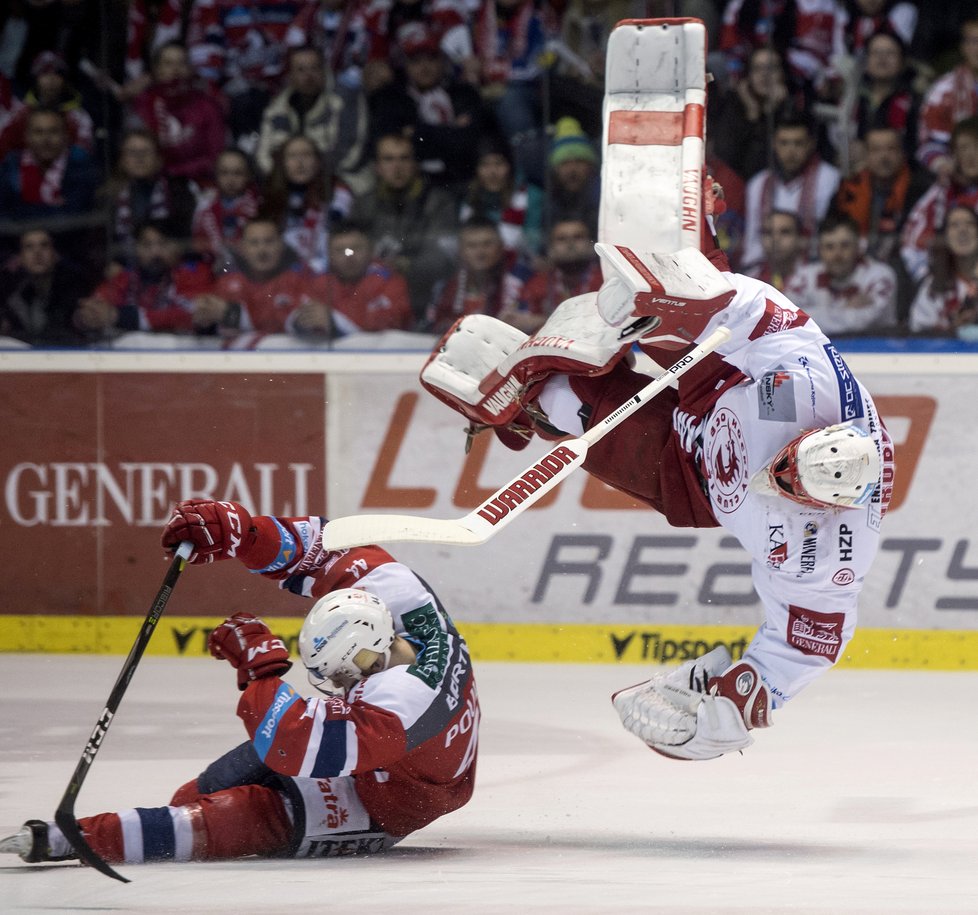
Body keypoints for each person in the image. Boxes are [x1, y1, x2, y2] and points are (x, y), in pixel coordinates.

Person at [418, 197, 894, 761]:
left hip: (693, 476)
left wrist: (740, 701)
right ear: (808, 440)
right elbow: (756, 310)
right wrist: (681, 298)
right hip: (723, 389)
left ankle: (531, 402)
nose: (779, 476)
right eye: (787, 466)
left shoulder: (830, 552)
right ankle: (692, 226)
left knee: (568, 403)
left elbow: (811, 645)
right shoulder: (816, 390)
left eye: (790, 486)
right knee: (661, 304)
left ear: (826, 504)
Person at [0, 498, 479, 864]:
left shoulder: (404, 703)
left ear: (368, 653)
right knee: (194, 796)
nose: (337, 684)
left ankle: (65, 840)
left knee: (221, 820)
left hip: (388, 800)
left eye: (341, 674)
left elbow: (298, 745)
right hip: (383, 755)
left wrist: (261, 672)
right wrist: (243, 532)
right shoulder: (406, 606)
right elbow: (324, 550)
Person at [349, 132, 459, 321]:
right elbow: (349, 250)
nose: (397, 167)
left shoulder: (438, 202)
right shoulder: (363, 205)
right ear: (377, 166)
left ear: (414, 164)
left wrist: (405, 265)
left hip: (424, 300)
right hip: (373, 299)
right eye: (389, 159)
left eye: (404, 159)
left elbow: (444, 256)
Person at [255, 44, 369, 195]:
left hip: (340, 184)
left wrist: (307, 173)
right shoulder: (277, 108)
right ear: (290, 75)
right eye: (301, 70)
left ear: (324, 71)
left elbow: (350, 154)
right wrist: (286, 174)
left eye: (314, 68)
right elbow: (263, 155)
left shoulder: (344, 100)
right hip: (290, 184)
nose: (308, 76)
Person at [73, 219, 214, 341]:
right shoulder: (126, 277)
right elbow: (98, 304)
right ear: (136, 249)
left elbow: (190, 314)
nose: (155, 253)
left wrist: (122, 317)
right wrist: (86, 318)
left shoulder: (195, 272)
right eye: (146, 245)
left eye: (163, 244)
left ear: (178, 247)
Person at [741, 111, 840, 268]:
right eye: (784, 143)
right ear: (774, 144)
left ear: (810, 144)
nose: (791, 151)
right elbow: (753, 239)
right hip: (766, 271)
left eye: (798, 143)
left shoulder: (830, 178)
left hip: (815, 268)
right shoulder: (758, 184)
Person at [126, 40, 229, 184]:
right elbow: (133, 152)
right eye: (168, 63)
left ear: (191, 69)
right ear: (156, 70)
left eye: (181, 63)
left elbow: (216, 157)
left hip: (198, 185)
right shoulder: (143, 104)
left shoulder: (207, 107)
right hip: (151, 183)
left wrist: (174, 172)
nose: (175, 70)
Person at [295, 219, 413, 338]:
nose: (349, 257)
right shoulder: (314, 278)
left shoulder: (390, 280)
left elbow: (390, 322)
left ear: (371, 250)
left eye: (356, 248)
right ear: (329, 255)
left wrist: (335, 321)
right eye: (340, 250)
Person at [785, 212, 899, 334]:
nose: (837, 255)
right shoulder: (804, 277)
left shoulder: (880, 276)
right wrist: (844, 310)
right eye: (829, 247)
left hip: (875, 350)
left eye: (845, 246)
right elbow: (787, 320)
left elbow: (868, 321)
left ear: (858, 247)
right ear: (820, 250)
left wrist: (808, 315)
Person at [425, 216, 528, 334]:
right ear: (461, 251)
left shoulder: (519, 286)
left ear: (501, 247)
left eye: (487, 244)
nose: (480, 252)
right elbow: (431, 329)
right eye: (472, 246)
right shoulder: (444, 289)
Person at [506, 217, 602, 334]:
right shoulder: (536, 284)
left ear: (591, 244)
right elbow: (521, 324)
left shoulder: (606, 281)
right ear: (550, 248)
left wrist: (541, 321)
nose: (570, 244)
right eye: (561, 239)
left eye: (578, 237)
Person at [0, 228, 93, 347]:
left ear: (55, 255)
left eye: (44, 245)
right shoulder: (9, 294)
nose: (37, 253)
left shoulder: (76, 290)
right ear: (20, 258)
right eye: (29, 247)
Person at [907, 204, 978, 336]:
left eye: (970, 224)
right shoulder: (933, 285)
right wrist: (952, 328)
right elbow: (918, 333)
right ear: (945, 237)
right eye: (954, 225)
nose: (962, 230)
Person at [741, 209, 808, 291]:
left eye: (785, 232)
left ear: (801, 239)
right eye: (768, 232)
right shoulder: (747, 278)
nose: (775, 239)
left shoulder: (815, 278)